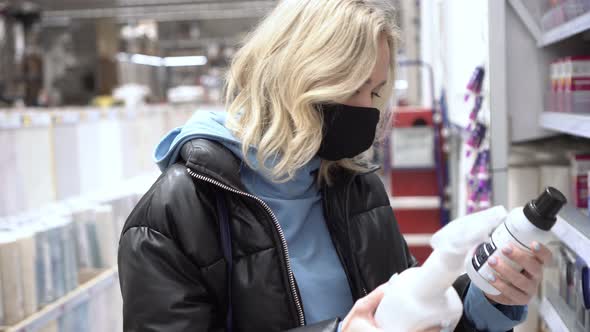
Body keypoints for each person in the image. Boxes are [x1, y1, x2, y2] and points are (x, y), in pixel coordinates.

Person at [117, 0, 552, 331]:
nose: (368, 110)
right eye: (356, 90)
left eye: (376, 91)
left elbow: (411, 315)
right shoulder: (174, 215)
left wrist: (487, 301)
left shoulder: (355, 187)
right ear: (298, 80)